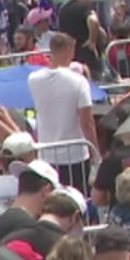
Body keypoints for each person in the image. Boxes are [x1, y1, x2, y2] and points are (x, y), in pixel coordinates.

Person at [28, 33, 101, 194]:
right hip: (75, 155)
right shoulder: (79, 81)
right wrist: (96, 154)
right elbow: (87, 121)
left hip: (46, 154)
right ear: (69, 50)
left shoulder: (33, 79)